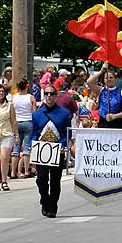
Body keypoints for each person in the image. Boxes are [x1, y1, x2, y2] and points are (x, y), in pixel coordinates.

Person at [31, 85, 72, 217]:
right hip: (42, 151)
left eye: (52, 94)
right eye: (47, 94)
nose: (49, 96)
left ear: (56, 96)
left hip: (57, 150)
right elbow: (34, 133)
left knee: (55, 180)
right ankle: (44, 200)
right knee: (41, 179)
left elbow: (67, 134)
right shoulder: (36, 115)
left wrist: (62, 145)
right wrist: (32, 145)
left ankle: (52, 206)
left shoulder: (65, 113)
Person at [86, 63, 122, 128]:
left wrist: (114, 116)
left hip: (117, 123)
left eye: (111, 77)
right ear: (104, 80)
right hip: (103, 123)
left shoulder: (121, 92)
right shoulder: (101, 90)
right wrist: (101, 71)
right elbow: (89, 82)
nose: (109, 79)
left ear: (115, 79)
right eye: (106, 78)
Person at [11, 79, 37, 179]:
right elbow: (34, 113)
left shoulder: (14, 98)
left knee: (16, 148)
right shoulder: (31, 98)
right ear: (27, 86)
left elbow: (12, 111)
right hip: (28, 121)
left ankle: (13, 172)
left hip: (17, 122)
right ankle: (26, 170)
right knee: (27, 148)